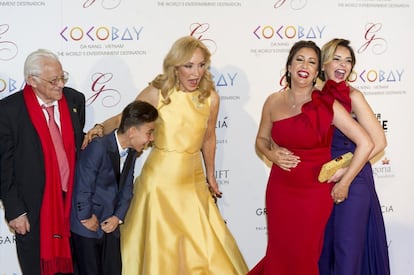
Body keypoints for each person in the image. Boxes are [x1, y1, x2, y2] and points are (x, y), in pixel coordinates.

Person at [83, 36, 248, 275]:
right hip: (159, 184)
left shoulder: (210, 98)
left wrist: (211, 175)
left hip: (192, 182)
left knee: (202, 249)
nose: (196, 72)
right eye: (188, 66)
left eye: (201, 65)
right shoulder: (157, 93)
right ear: (175, 66)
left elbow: (209, 137)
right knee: (162, 248)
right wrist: (99, 127)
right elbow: (124, 119)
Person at [247, 40, 374, 275]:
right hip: (280, 188)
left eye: (312, 61)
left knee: (304, 254)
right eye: (299, 59)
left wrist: (344, 181)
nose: (305, 65)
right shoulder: (273, 101)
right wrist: (272, 154)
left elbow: (366, 143)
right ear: (289, 66)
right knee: (279, 251)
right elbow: (261, 140)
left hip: (315, 192)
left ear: (317, 72)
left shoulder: (327, 104)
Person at [0, 49, 85, 275]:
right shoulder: (8, 111)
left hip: (72, 205)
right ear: (32, 80)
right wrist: (15, 210)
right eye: (53, 80)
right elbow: (3, 167)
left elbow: (74, 147)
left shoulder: (75, 100)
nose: (60, 85)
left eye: (62, 77)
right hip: (32, 208)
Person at [318, 38, 390, 275]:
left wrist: (345, 173)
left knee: (347, 252)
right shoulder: (309, 93)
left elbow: (378, 142)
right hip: (319, 182)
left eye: (348, 61)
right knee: (323, 251)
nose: (343, 65)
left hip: (353, 180)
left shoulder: (354, 96)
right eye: (336, 59)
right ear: (323, 64)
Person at [70, 100, 158, 275]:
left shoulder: (132, 152)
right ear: (132, 131)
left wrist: (118, 217)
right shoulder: (98, 147)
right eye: (149, 132)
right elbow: (83, 184)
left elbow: (127, 189)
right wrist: (86, 217)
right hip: (87, 226)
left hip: (109, 225)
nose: (152, 138)